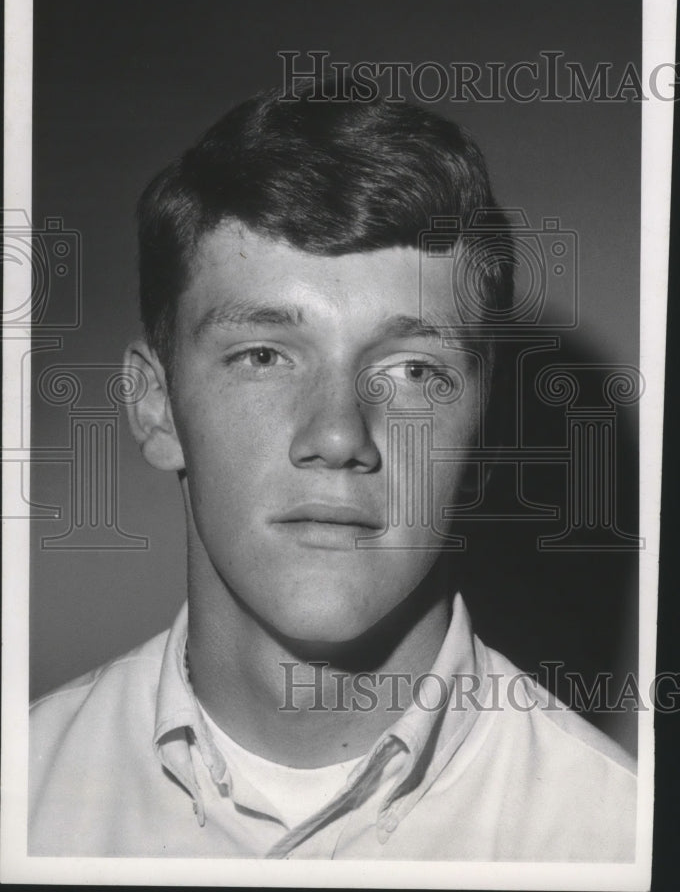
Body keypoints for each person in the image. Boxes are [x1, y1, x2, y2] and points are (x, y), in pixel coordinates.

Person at [29, 80, 636, 860]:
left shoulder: (613, 836)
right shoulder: (28, 793)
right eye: (264, 356)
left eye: (414, 371)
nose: (340, 434)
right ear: (154, 406)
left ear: (485, 425)